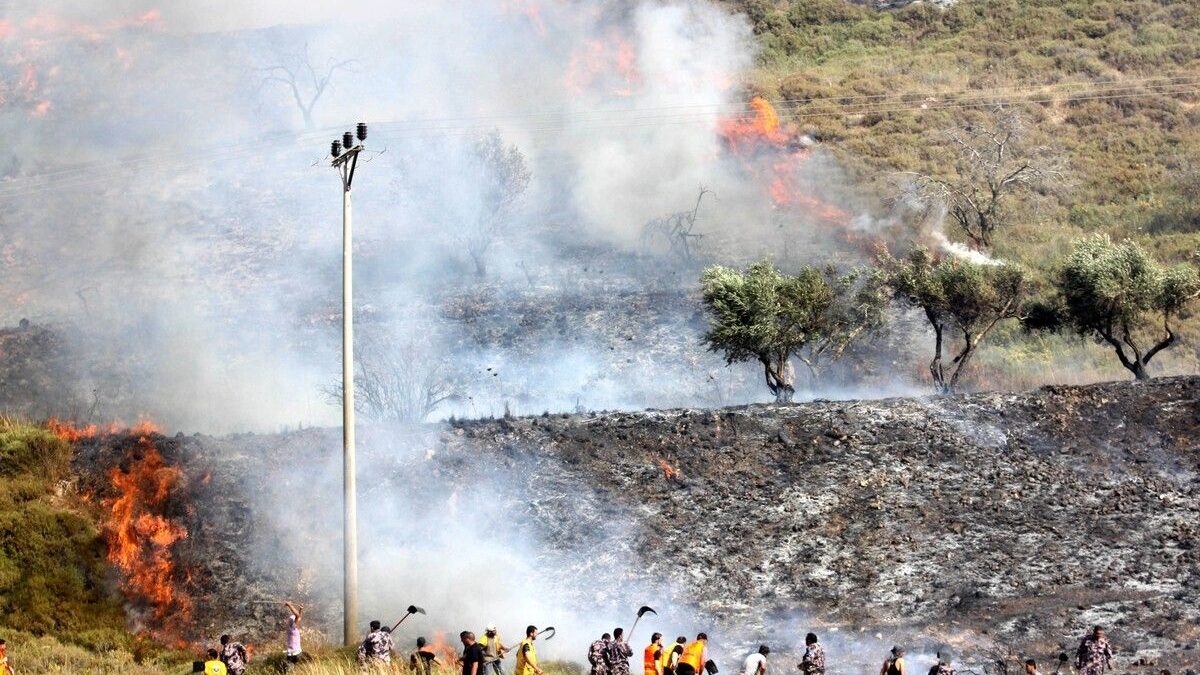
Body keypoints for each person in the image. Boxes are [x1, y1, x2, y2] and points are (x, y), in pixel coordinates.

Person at [284, 602, 304, 666]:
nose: (298, 620)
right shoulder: (292, 628)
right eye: (296, 620)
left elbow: (299, 617)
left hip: (294, 653)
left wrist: (301, 609)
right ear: (294, 622)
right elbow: (297, 616)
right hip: (295, 653)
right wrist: (290, 605)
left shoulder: (292, 627)